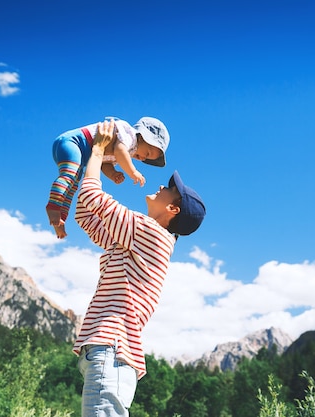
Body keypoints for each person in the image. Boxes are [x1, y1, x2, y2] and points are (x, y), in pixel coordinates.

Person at [73, 120, 206, 416]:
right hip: (108, 353)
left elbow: (91, 199)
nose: (161, 186)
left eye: (170, 189)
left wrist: (97, 152)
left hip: (112, 350)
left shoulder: (150, 233)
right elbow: (86, 215)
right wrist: (103, 163)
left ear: (173, 210)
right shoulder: (138, 240)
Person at [46, 116, 170, 239]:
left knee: (72, 186)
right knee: (69, 177)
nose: (143, 158)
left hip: (80, 153)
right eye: (147, 153)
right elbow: (120, 151)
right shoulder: (129, 135)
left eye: (146, 159)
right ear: (142, 137)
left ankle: (61, 217)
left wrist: (112, 174)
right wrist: (133, 172)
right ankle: (53, 205)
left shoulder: (128, 150)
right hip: (73, 143)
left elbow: (104, 163)